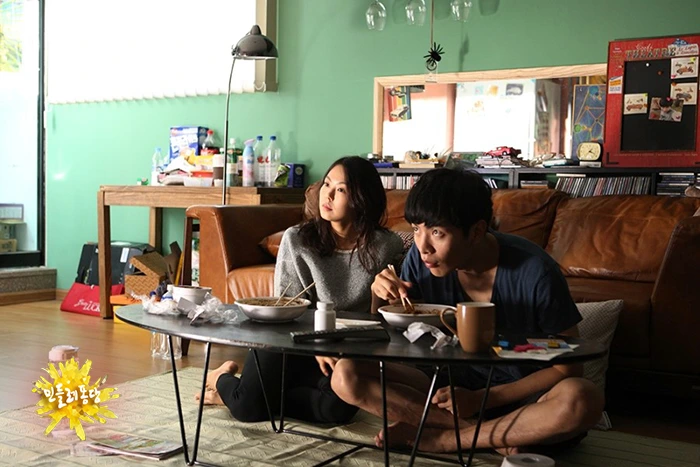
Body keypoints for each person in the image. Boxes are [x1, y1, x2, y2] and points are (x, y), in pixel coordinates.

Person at [330, 168, 604, 454]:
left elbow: (568, 366)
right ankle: (489, 437)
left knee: (582, 398)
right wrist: (379, 295)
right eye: (416, 229)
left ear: (476, 231)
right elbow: (394, 338)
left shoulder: (536, 272)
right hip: (444, 389)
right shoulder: (421, 262)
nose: (423, 246)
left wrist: (481, 398)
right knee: (346, 373)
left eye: (437, 232)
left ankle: (442, 440)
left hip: (524, 396)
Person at [196, 156, 404, 425]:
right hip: (290, 340)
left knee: (335, 411)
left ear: (362, 199)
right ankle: (221, 378)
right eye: (327, 184)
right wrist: (317, 344)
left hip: (344, 351)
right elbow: (287, 309)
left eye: (341, 189)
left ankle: (255, 397)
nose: (328, 195)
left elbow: (379, 320)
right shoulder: (298, 239)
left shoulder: (386, 245)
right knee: (248, 410)